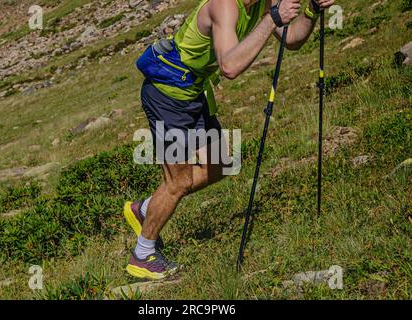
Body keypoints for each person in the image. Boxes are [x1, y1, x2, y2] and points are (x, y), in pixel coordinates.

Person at [124, 0, 335, 280]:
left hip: (194, 91)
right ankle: (143, 253)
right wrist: (271, 19)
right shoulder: (224, 5)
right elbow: (230, 67)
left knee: (221, 164)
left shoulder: (262, 2)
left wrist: (311, 10)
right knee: (178, 182)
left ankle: (146, 209)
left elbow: (292, 39)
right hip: (168, 96)